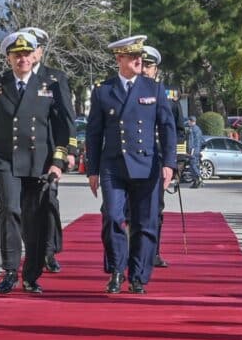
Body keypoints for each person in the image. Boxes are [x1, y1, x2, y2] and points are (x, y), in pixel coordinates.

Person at [0, 31, 72, 294]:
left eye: (27, 54)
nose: (22, 60)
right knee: (10, 210)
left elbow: (63, 127)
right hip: (6, 159)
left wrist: (58, 161)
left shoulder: (49, 85)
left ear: (34, 56)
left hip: (39, 162)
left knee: (36, 218)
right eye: (17, 55)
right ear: (9, 59)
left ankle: (31, 274)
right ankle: (9, 271)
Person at [85, 35, 176, 294]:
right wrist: (92, 170)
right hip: (113, 165)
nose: (139, 61)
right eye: (133, 56)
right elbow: (93, 133)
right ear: (119, 59)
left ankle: (138, 275)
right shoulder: (104, 89)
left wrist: (169, 163)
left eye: (140, 57)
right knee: (112, 218)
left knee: (145, 223)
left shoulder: (153, 88)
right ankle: (116, 270)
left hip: (147, 164)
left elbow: (167, 127)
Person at [18, 26, 77, 273]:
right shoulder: (16, 76)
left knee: (48, 202)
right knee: (25, 206)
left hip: (49, 152)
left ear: (40, 52)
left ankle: (49, 251)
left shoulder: (55, 78)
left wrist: (69, 151)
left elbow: (67, 117)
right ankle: (33, 250)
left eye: (35, 48)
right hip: (21, 155)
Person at [142, 45, 184, 268]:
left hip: (158, 159)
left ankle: (154, 251)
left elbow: (178, 131)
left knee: (155, 208)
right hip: (134, 157)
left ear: (156, 69)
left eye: (149, 66)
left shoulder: (168, 97)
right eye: (142, 65)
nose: (144, 70)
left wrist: (174, 162)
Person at [186, 115, 203, 188]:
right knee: (194, 166)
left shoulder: (192, 129)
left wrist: (191, 151)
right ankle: (196, 182)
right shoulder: (198, 129)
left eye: (189, 121)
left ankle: (199, 180)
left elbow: (191, 141)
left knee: (193, 166)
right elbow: (201, 141)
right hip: (197, 150)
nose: (188, 122)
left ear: (191, 121)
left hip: (193, 151)